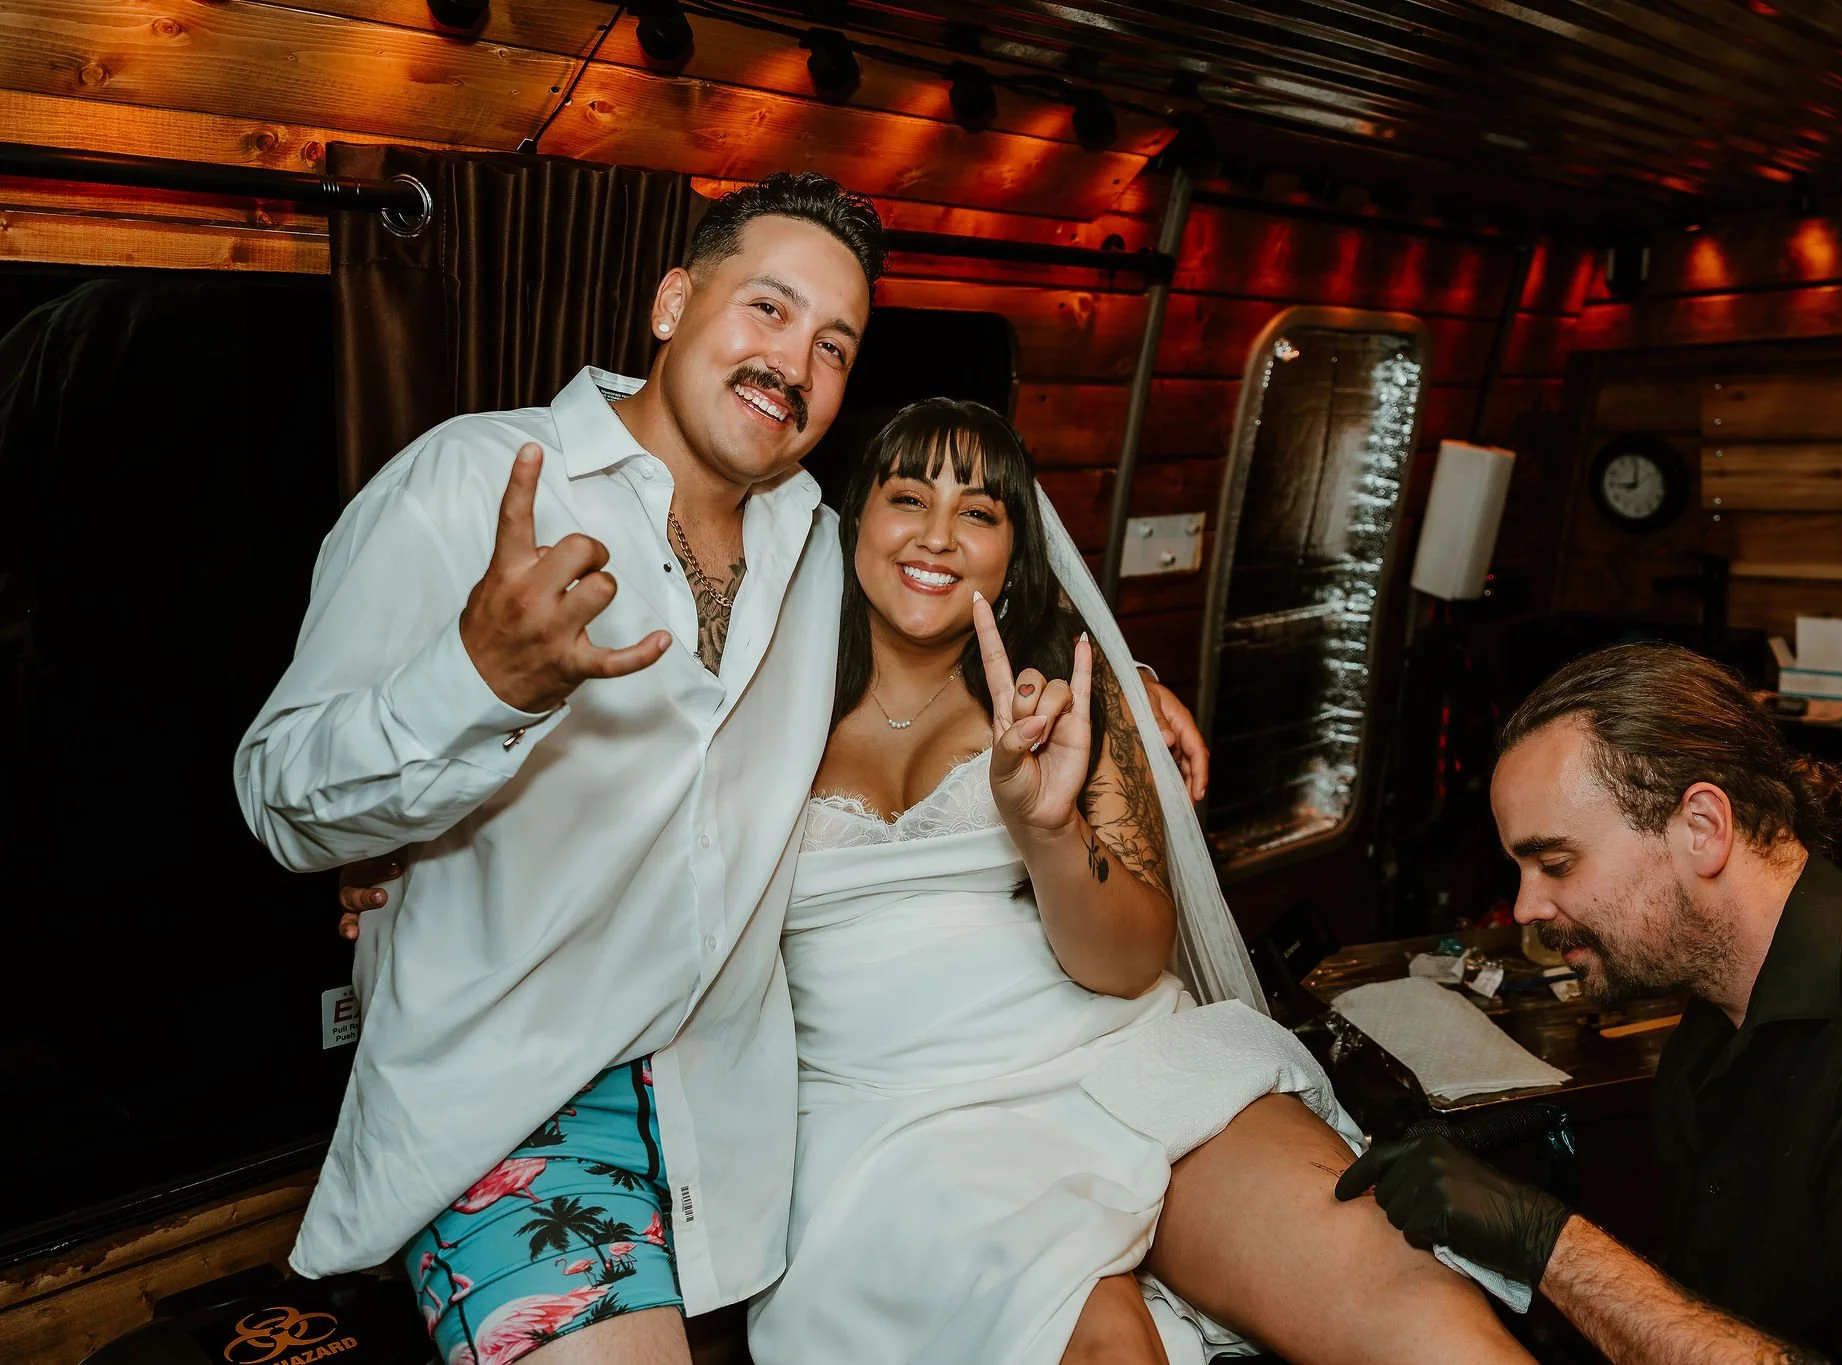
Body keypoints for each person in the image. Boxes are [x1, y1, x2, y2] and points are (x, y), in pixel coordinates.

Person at [240, 173, 1205, 1365]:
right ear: (671, 302)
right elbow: (282, 798)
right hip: (516, 1101)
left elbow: (951, 620)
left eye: (832, 344)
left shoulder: (820, 549)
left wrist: (1130, 687)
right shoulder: (473, 483)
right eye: (766, 308)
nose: (791, 362)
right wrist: (475, 688)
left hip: (739, 1101)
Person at [735, 398, 1530, 1365]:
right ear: (852, 515)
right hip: (895, 1119)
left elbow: (1126, 960)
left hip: (1118, 1058)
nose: (937, 535)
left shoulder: (1061, 691)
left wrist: (1047, 827)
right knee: (1105, 1345)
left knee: (1402, 1291)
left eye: (980, 512)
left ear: (1015, 550)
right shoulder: (757, 681)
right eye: (909, 496)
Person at [1338, 644, 1842, 1363]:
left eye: (1555, 863)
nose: (1525, 906)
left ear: (1703, 827)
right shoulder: (1705, 1040)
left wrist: (1547, 1242)